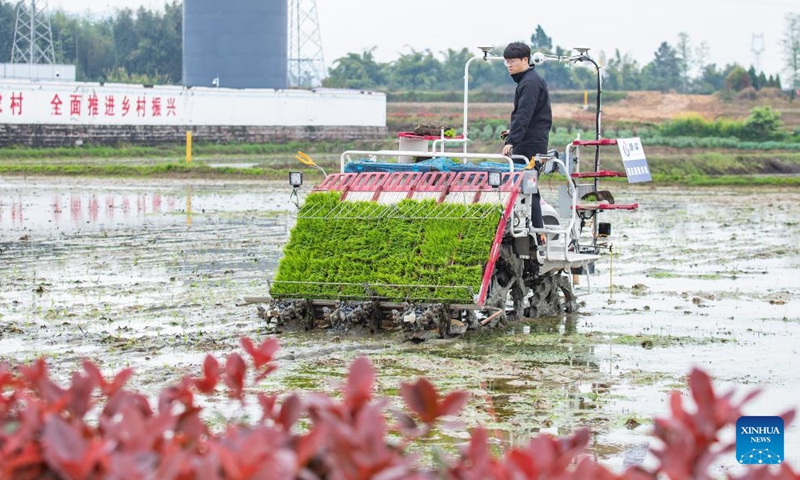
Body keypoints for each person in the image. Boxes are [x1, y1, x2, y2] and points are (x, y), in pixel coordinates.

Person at [500, 41, 552, 239]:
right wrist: (512, 131)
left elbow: (525, 114)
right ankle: (530, 233)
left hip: (530, 145)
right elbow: (530, 116)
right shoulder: (528, 80)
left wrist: (512, 140)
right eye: (506, 62)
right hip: (530, 139)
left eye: (513, 61)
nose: (509, 65)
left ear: (525, 60)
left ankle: (537, 236)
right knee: (527, 190)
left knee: (529, 191)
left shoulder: (530, 82)